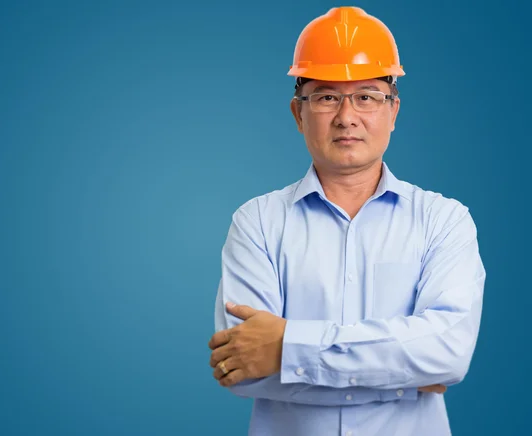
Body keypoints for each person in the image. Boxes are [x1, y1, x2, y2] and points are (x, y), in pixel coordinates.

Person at [207, 6, 485, 436]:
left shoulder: (443, 220)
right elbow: (243, 368)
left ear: (393, 111)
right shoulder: (257, 222)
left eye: (367, 96)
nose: (346, 116)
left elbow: (447, 355)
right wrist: (406, 378)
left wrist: (287, 347)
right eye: (326, 96)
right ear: (298, 113)